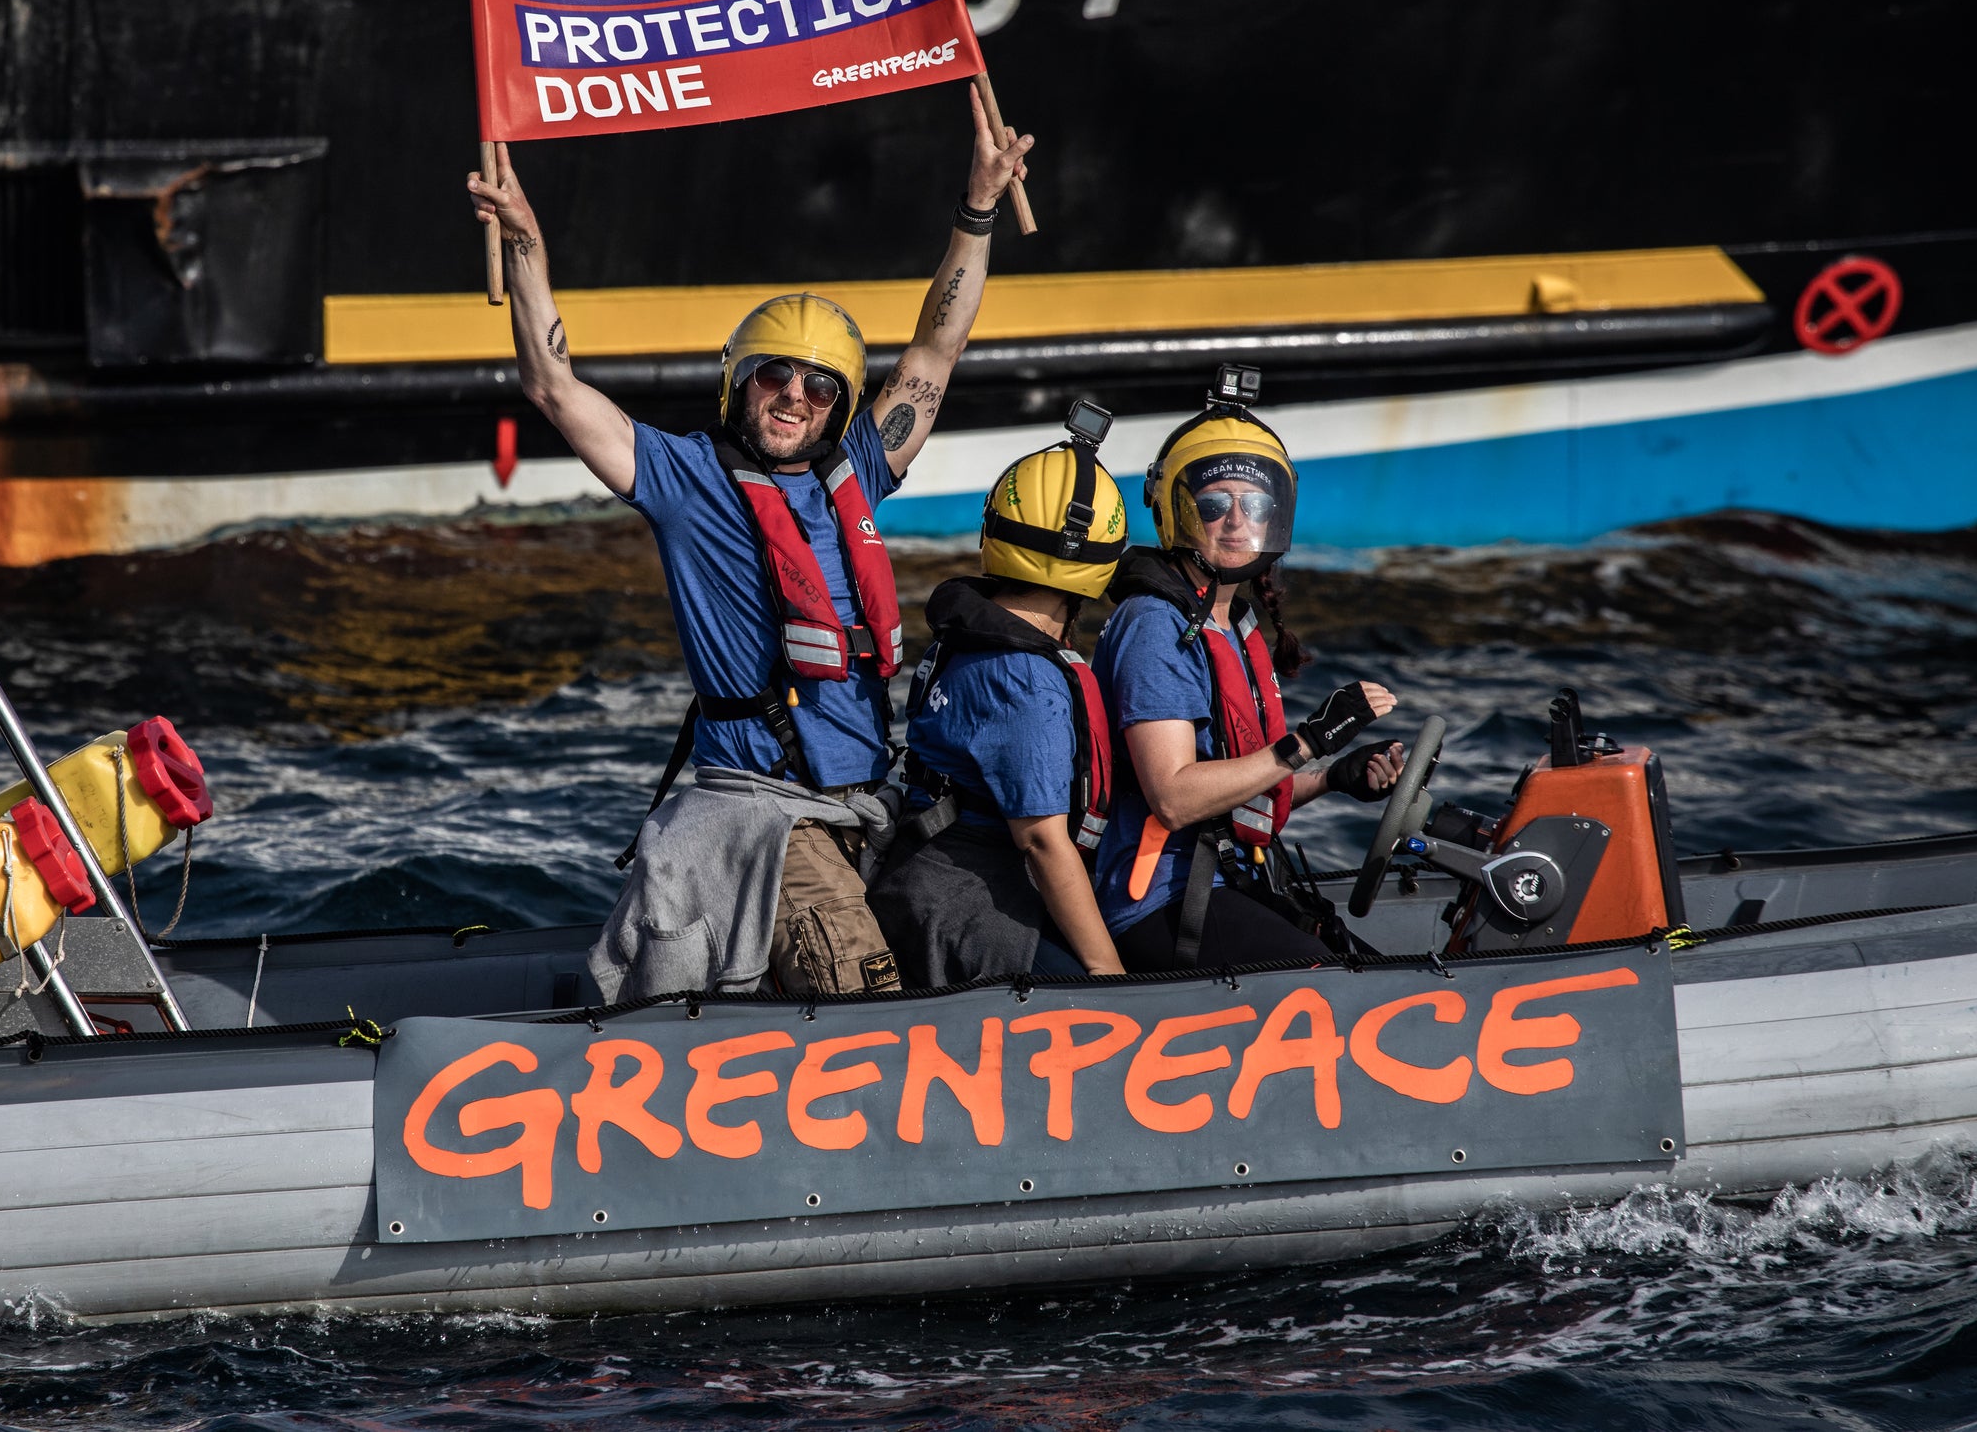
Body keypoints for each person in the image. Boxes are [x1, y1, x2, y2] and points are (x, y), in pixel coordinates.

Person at [468, 87, 1034, 1000]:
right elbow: (554, 386)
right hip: (768, 817)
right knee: (869, 1011)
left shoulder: (860, 468)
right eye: (777, 376)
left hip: (870, 806)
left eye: (819, 387)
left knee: (984, 936)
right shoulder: (683, 478)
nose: (795, 397)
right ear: (742, 382)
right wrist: (527, 241)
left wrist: (977, 207)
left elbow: (935, 352)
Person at [1090, 368, 1406, 971]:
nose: (1237, 520)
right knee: (1340, 983)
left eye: (1255, 503)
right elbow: (1177, 798)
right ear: (1177, 511)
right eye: (1214, 503)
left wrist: (1337, 777)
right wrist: (1307, 742)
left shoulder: (1228, 622)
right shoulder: (1158, 624)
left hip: (1224, 881)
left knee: (1374, 970)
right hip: (1159, 901)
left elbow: (1237, 785)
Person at [869, 415, 1130, 985]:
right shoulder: (1025, 679)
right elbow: (1039, 840)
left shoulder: (973, 636)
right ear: (1104, 563)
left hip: (920, 880)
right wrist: (1108, 971)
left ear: (995, 531)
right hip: (966, 901)